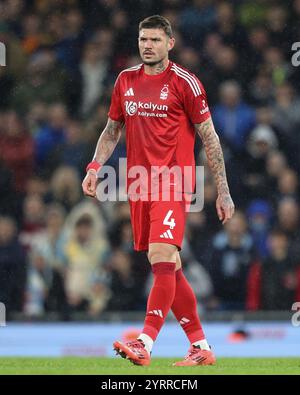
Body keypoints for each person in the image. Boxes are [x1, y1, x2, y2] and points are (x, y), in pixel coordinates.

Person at [82, 15, 234, 367]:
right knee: (171, 267)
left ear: (170, 43)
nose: (147, 45)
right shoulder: (125, 80)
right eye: (142, 39)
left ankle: (145, 343)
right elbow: (111, 130)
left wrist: (223, 192)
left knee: (162, 258)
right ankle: (200, 346)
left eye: (154, 40)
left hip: (174, 182)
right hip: (138, 184)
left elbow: (210, 138)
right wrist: (93, 167)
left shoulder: (186, 84)